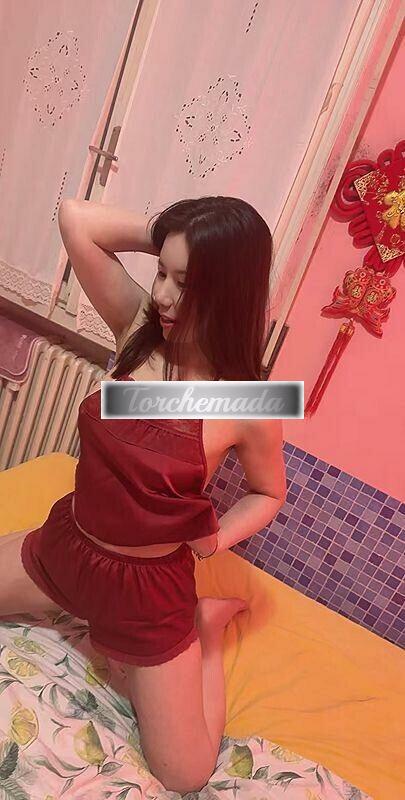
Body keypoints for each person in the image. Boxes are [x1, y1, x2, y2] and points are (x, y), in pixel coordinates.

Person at [0, 195, 287, 793]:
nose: (162, 297)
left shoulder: (247, 399)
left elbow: (268, 492)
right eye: (161, 272)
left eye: (186, 283)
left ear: (231, 291)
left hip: (146, 593)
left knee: (185, 773)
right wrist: (178, 230)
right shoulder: (137, 328)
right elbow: (75, 219)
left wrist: (216, 540)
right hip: (68, 548)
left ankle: (206, 626)